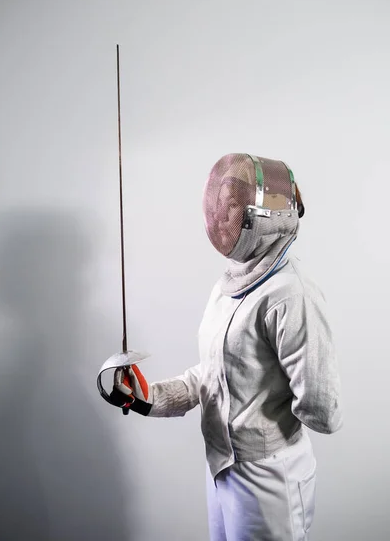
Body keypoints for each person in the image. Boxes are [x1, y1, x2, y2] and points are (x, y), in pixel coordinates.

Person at [112, 153, 343, 541]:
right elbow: (215, 373)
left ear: (266, 212)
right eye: (220, 204)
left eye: (234, 205)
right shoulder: (229, 285)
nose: (221, 215)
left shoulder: (291, 294)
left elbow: (323, 409)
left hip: (269, 476)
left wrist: (263, 422)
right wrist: (148, 397)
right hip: (221, 467)